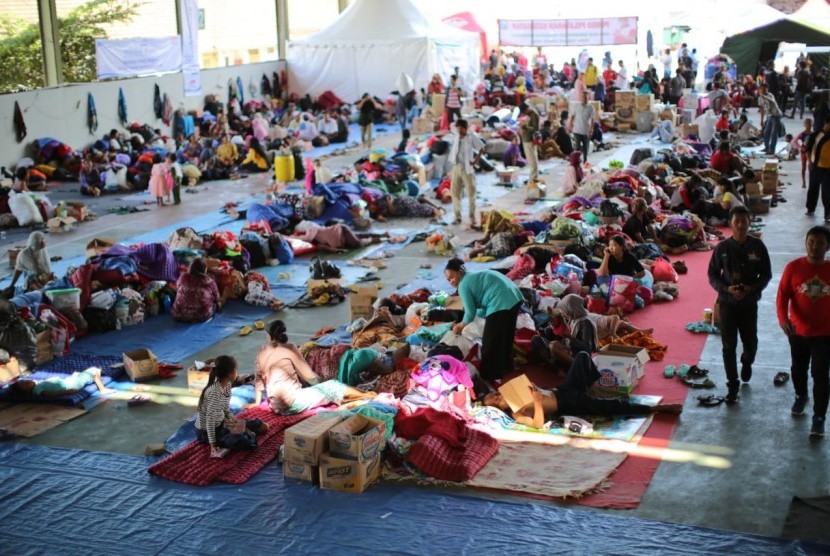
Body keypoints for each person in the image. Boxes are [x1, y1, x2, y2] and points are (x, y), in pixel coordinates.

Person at [484, 353, 681, 428]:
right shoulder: (516, 411)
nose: (495, 395)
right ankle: (657, 409)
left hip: (563, 390)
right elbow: (536, 424)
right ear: (496, 408)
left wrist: (538, 389)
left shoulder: (512, 390)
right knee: (609, 407)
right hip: (567, 404)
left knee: (582, 357)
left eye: (493, 393)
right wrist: (536, 400)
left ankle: (593, 388)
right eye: (493, 399)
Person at [708, 206, 773, 403]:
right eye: (737, 221)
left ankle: (747, 361)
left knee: (750, 341)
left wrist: (752, 288)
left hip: (749, 303)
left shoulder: (758, 247)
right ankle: (732, 384)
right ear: (730, 224)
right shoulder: (722, 248)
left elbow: (767, 274)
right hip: (727, 303)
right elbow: (712, 275)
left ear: (749, 223)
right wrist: (726, 289)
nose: (741, 225)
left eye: (744, 221)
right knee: (728, 345)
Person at [776, 226, 830, 438]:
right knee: (798, 368)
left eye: (820, 243)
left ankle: (819, 417)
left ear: (827, 247)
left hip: (825, 333)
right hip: (798, 331)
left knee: (820, 374)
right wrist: (783, 320)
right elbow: (782, 296)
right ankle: (801, 395)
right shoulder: (793, 267)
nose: (814, 246)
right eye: (810, 241)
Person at [254, 320, 370, 414]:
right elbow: (311, 378)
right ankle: (369, 396)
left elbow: (259, 380)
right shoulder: (289, 348)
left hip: (275, 405)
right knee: (333, 386)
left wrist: (256, 402)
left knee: (330, 389)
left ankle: (361, 396)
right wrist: (326, 386)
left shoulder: (261, 351)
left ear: (269, 336)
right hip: (292, 402)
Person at [444, 258, 524, 383]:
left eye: (452, 277)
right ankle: (507, 367)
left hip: (500, 301)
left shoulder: (463, 285)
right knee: (505, 337)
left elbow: (470, 312)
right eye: (448, 280)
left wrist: (461, 325)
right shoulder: (471, 277)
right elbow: (480, 307)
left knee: (490, 343)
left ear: (459, 272)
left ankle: (490, 376)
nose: (450, 282)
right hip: (514, 297)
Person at [196, 355, 269, 458]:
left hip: (223, 423)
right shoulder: (214, 393)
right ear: (230, 374)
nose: (237, 371)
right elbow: (210, 423)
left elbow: (226, 411)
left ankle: (242, 434)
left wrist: (237, 424)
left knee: (263, 427)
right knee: (245, 441)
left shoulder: (226, 386)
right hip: (208, 432)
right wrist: (213, 447)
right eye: (236, 369)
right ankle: (232, 439)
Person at [447, 119, 484, 229]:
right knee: (455, 193)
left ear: (465, 128)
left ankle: (472, 217)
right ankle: (457, 216)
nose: (459, 130)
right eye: (457, 128)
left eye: (460, 128)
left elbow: (481, 148)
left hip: (468, 168)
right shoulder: (456, 136)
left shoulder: (471, 136)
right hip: (456, 167)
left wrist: (475, 161)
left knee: (471, 193)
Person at [171, 258, 226, 323]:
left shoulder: (183, 277)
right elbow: (217, 298)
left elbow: (178, 287)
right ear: (205, 269)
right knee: (219, 302)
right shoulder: (209, 281)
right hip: (201, 316)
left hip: (179, 315)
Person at [8, 366, 114, 397]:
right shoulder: (37, 390)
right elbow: (49, 394)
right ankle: (103, 389)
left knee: (88, 371)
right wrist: (66, 392)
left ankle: (99, 371)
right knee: (93, 373)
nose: (26, 381)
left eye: (24, 381)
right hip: (69, 385)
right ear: (26, 391)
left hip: (67, 381)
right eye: (25, 384)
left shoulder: (37, 385)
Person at [806, 118, 830, 221]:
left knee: (827, 192)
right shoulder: (816, 135)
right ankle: (810, 208)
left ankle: (828, 214)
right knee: (813, 189)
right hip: (816, 167)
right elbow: (808, 149)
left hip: (829, 169)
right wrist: (810, 163)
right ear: (826, 123)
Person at [757, 84, 783, 155]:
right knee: (766, 132)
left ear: (767, 89)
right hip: (769, 115)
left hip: (776, 115)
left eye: (765, 89)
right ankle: (766, 147)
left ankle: (772, 149)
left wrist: (765, 97)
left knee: (774, 133)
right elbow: (762, 109)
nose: (764, 90)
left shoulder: (770, 95)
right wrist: (762, 120)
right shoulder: (760, 98)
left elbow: (772, 101)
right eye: (762, 88)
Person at [518, 101, 540, 183]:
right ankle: (532, 177)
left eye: (524, 111)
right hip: (526, 139)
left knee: (533, 161)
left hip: (530, 140)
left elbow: (535, 128)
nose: (524, 113)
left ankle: (533, 178)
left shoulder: (534, 115)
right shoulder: (529, 115)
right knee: (530, 161)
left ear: (527, 108)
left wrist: (525, 126)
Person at [569, 91, 594, 160]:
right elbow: (572, 116)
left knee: (585, 148)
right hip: (577, 130)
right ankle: (576, 162)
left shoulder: (590, 107)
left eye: (586, 97)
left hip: (586, 131)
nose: (584, 98)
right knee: (577, 148)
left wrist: (591, 130)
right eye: (583, 97)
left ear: (588, 98)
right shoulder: (576, 106)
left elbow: (592, 119)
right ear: (581, 98)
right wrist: (570, 125)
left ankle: (585, 161)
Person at [793, 118, 813, 188]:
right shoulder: (802, 134)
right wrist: (800, 147)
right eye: (807, 124)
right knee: (804, 167)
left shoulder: (813, 134)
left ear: (812, 124)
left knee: (811, 167)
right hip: (804, 152)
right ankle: (804, 182)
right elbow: (795, 141)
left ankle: (811, 182)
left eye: (810, 124)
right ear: (804, 125)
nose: (809, 125)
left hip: (811, 153)